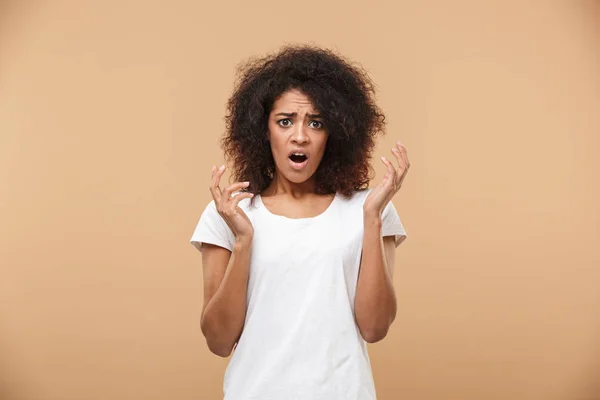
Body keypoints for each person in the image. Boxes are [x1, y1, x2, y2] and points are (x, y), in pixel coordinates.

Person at [190, 44, 410, 400]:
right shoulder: (229, 213)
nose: (300, 136)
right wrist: (244, 241)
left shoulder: (369, 209)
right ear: (264, 131)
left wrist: (371, 219)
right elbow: (218, 340)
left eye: (316, 122)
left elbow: (375, 328)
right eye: (285, 121)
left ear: (334, 134)